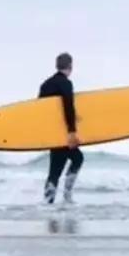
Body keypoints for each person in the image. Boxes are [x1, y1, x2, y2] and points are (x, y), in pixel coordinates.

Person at [39, 53, 83, 204]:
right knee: (77, 159)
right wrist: (71, 131)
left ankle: (48, 201)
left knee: (55, 169)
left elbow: (40, 111)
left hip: (52, 134)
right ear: (70, 66)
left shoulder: (45, 85)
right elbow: (68, 107)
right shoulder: (65, 83)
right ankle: (66, 195)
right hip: (63, 133)